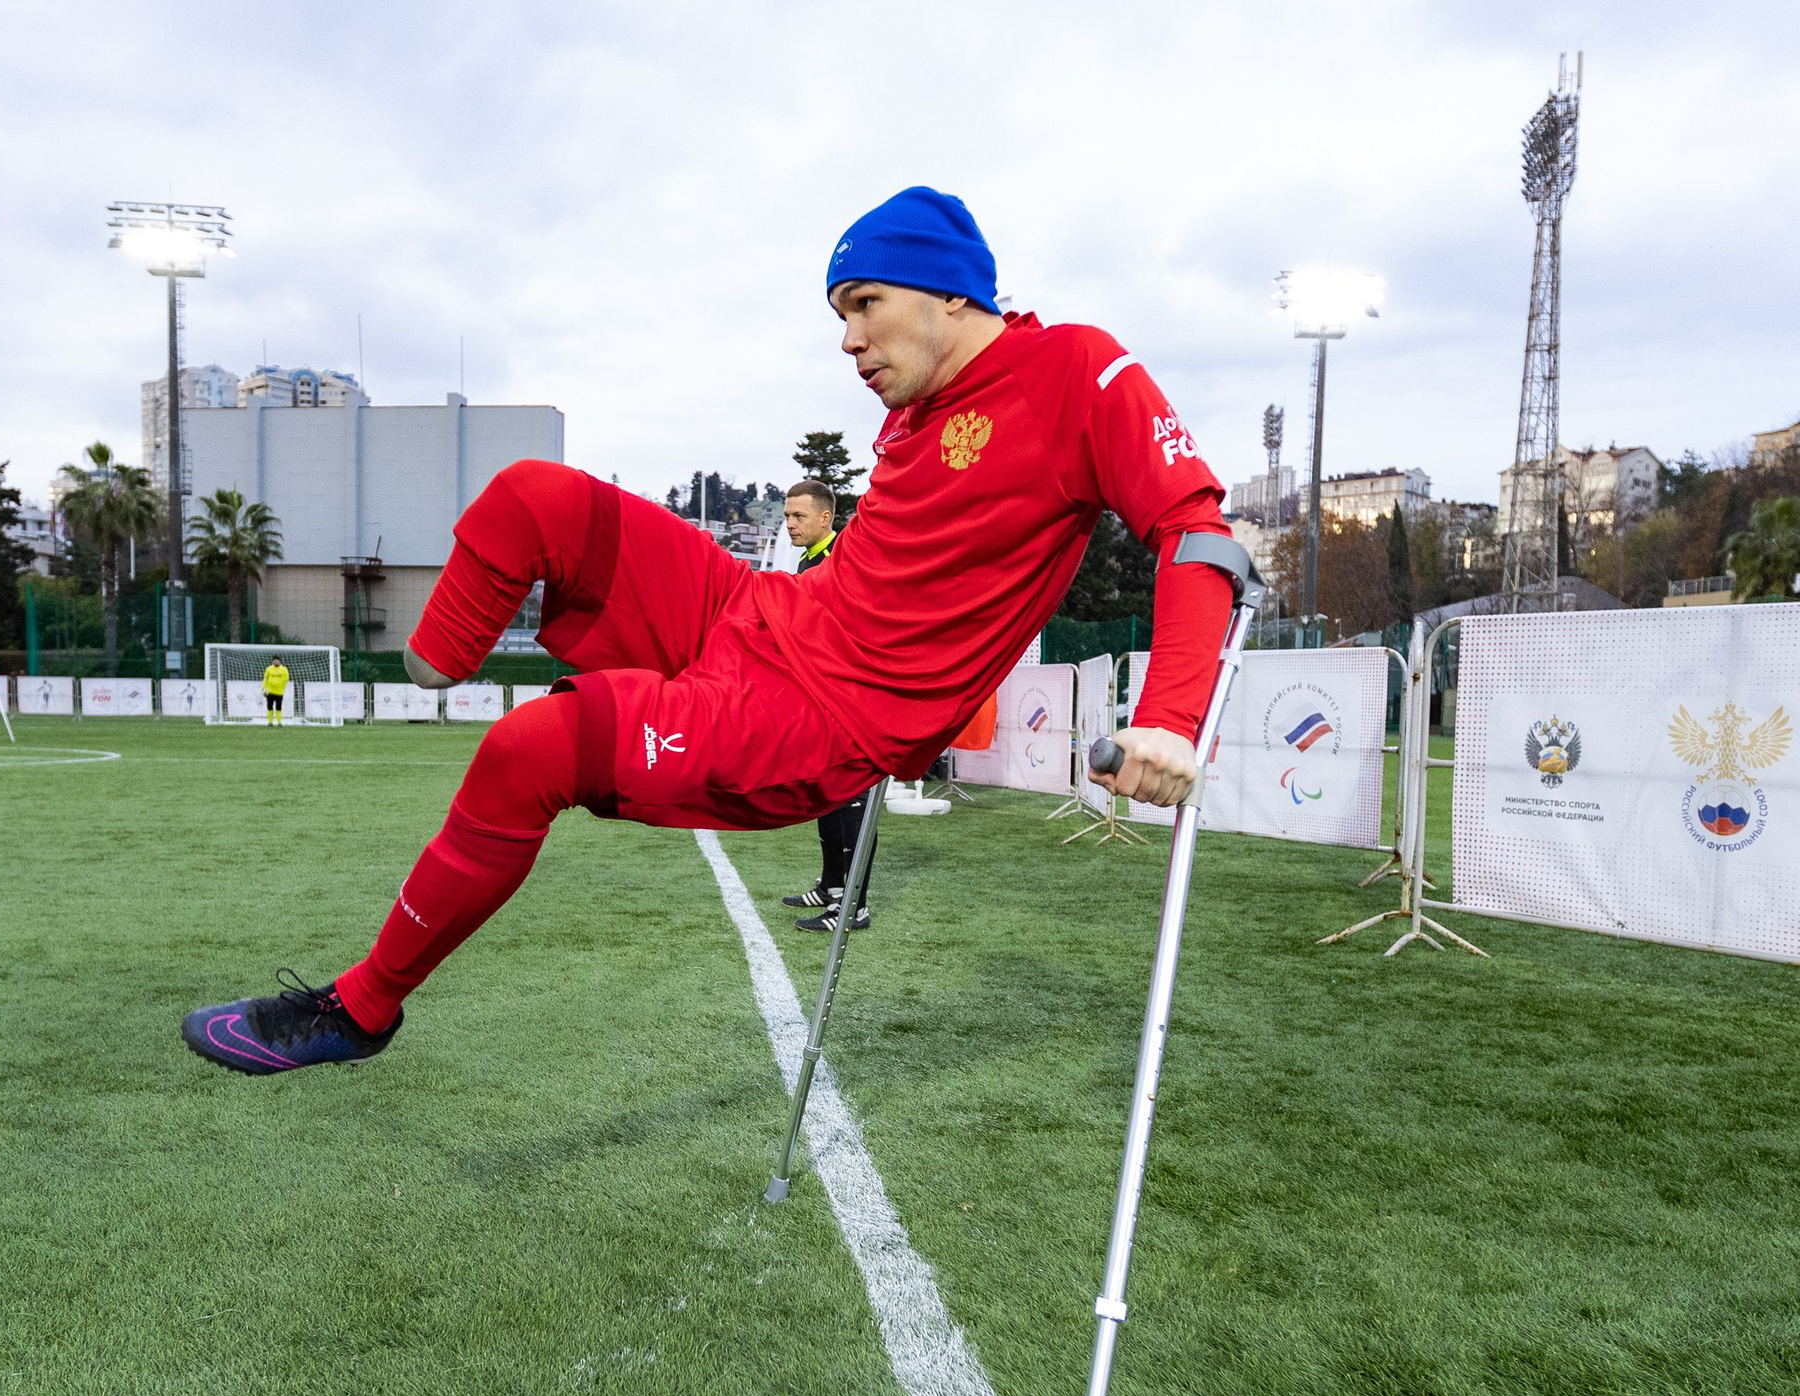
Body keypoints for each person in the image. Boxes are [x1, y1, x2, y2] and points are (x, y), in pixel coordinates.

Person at [182, 188, 1241, 1076]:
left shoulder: (1076, 373)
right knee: (533, 498)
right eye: (840, 312)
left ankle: (358, 1010)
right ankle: (425, 672)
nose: (848, 338)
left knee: (530, 750)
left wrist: (1169, 720)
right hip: (768, 618)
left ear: (949, 290)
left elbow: (1196, 533)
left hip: (824, 714)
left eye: (865, 304)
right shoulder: (909, 415)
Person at [773, 479, 880, 933]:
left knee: (853, 798)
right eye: (787, 516)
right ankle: (833, 884)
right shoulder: (808, 560)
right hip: (821, 698)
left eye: (799, 517)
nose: (790, 524)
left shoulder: (843, 559)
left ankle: (853, 906)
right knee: (827, 794)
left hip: (852, 702)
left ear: (825, 518)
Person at [263, 654, 290, 727]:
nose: (275, 662)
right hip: (270, 691)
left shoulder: (284, 669)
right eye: (274, 661)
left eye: (276, 661)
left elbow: (286, 678)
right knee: (269, 706)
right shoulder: (268, 668)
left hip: (279, 692)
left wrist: (278, 684)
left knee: (278, 707)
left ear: (279, 661)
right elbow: (265, 678)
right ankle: (270, 722)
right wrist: (264, 688)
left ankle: (279, 722)